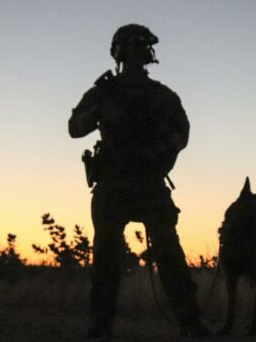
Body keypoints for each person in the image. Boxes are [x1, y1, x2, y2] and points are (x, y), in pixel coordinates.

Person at [68, 24, 208, 338]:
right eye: (130, 53)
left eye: (139, 52)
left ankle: (189, 322)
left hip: (148, 182)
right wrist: (98, 113)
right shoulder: (103, 92)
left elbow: (182, 132)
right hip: (113, 183)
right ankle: (101, 323)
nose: (135, 59)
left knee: (169, 253)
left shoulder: (162, 95)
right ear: (121, 55)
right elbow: (74, 128)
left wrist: (161, 152)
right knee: (106, 256)